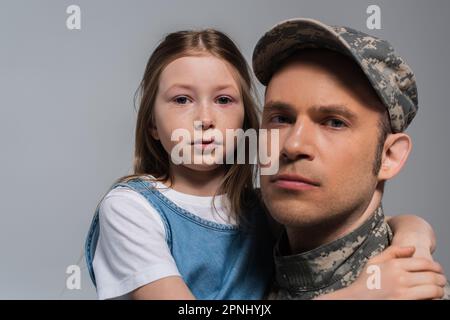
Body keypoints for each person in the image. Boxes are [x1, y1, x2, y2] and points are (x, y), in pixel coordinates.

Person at [85, 28, 439, 300]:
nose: (204, 118)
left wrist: (415, 243)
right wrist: (355, 295)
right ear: (151, 123)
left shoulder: (257, 208)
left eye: (224, 99)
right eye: (181, 99)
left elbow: (399, 222)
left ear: (245, 121)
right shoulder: (132, 208)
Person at [252, 18, 450, 299]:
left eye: (334, 123)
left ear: (389, 156)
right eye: (281, 118)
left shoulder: (408, 291)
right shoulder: (235, 249)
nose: (293, 145)